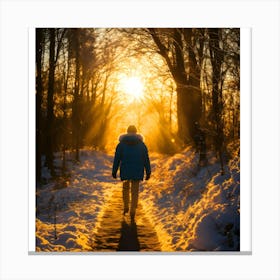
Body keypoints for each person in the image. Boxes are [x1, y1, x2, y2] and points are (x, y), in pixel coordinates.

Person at [112, 125, 151, 221]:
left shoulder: (121, 144)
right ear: (136, 132)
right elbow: (146, 159)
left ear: (127, 132)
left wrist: (114, 171)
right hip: (137, 170)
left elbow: (117, 159)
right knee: (135, 191)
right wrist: (148, 171)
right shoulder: (142, 145)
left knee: (125, 188)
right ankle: (133, 209)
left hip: (125, 169)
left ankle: (126, 206)